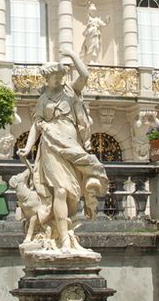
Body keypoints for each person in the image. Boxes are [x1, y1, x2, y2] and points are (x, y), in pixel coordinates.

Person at [18, 49, 109, 253]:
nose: (58, 79)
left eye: (60, 75)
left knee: (72, 195)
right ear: (47, 78)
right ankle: (65, 240)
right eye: (54, 76)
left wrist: (72, 56)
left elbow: (84, 75)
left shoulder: (71, 92)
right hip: (50, 144)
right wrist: (27, 146)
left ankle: (65, 232)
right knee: (59, 190)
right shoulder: (43, 100)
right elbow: (36, 124)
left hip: (71, 144)